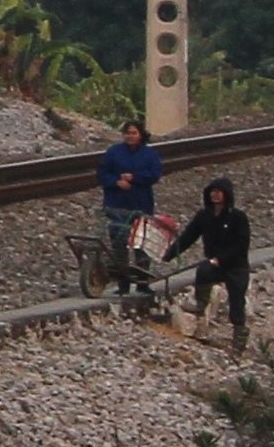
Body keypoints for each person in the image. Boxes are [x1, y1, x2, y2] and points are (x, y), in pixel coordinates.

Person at [174, 176, 254, 351]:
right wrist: (171, 253)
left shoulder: (238, 217)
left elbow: (242, 244)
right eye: (212, 192)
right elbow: (189, 236)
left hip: (235, 265)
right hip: (214, 263)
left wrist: (222, 259)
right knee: (203, 272)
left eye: (218, 192)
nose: (215, 195)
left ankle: (239, 337)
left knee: (236, 298)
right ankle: (200, 304)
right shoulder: (204, 216)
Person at [94, 118, 164, 291]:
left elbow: (155, 174)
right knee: (119, 243)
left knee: (141, 244)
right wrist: (116, 182)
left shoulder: (149, 154)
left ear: (141, 135)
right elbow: (102, 173)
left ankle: (143, 283)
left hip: (141, 204)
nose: (130, 136)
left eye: (133, 133)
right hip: (116, 204)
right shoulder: (113, 152)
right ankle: (123, 283)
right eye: (127, 133)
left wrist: (135, 178)